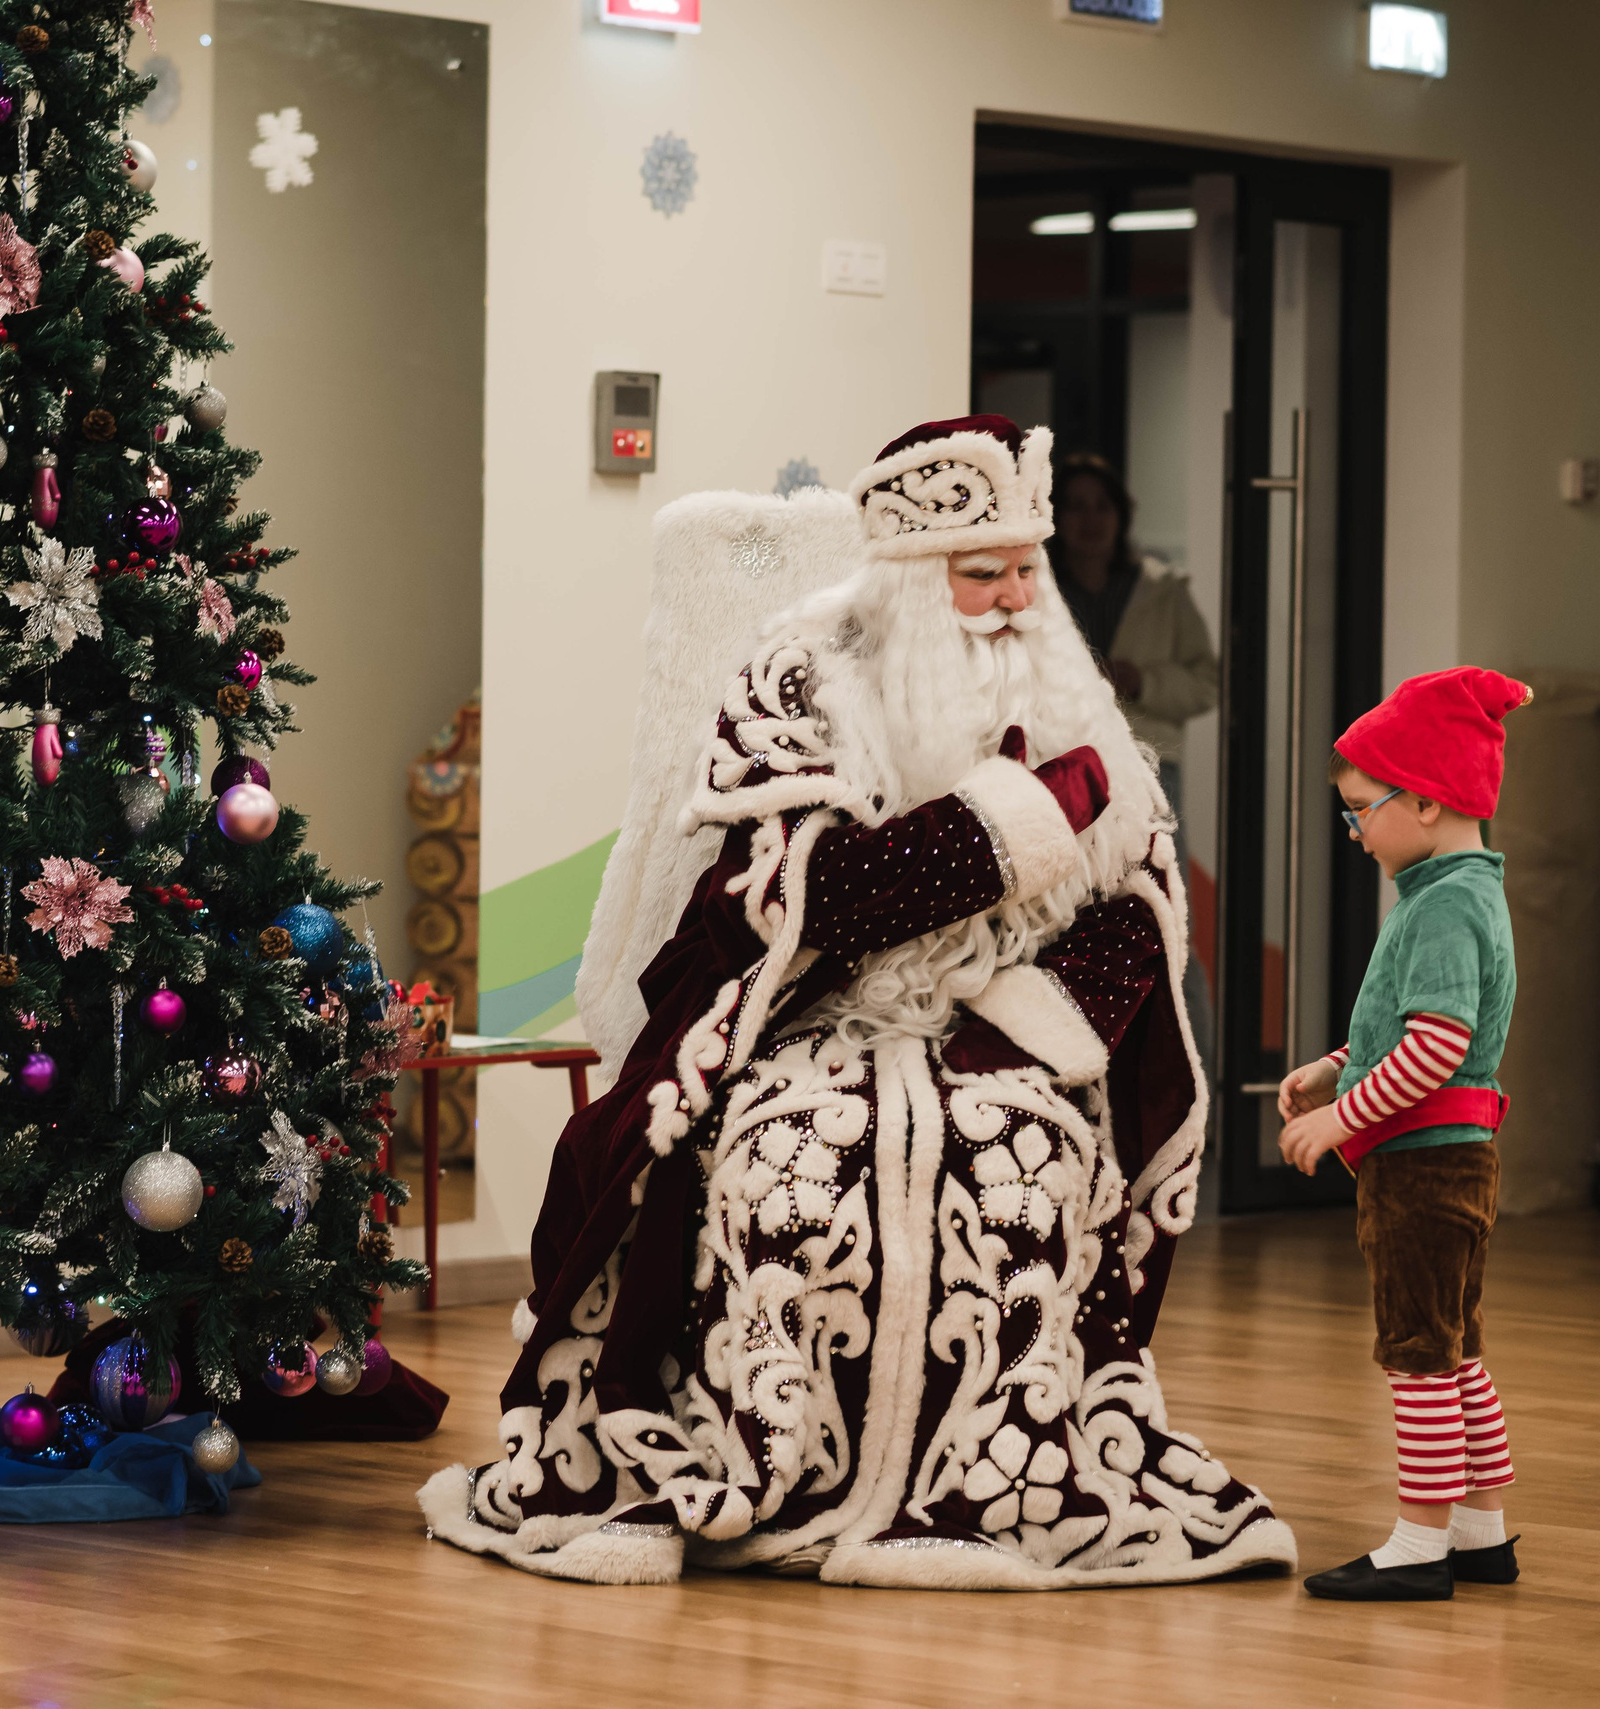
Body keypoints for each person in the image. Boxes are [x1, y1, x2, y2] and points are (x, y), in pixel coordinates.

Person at [421, 416, 1297, 1589]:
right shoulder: (797, 684)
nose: (1011, 599)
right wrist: (1007, 823)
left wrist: (1030, 1023)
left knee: (1016, 1169)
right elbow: (806, 894)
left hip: (1011, 1026)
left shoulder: (1084, 709)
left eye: (1025, 569)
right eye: (979, 574)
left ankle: (985, 1485)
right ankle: (765, 1454)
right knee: (792, 1169)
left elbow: (1139, 908)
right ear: (907, 578)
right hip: (808, 1015)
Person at [1272, 667, 1530, 1602]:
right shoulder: (1454, 889)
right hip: (1451, 1158)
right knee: (1456, 1347)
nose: (1354, 830)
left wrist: (1346, 1113)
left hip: (1423, 1169)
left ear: (1423, 800)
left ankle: (1420, 1545)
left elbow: (1438, 1045)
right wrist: (1337, 1064)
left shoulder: (1445, 903)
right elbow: (1413, 1029)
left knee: (1416, 1352)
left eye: (1360, 809)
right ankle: (1482, 1532)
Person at [1048, 455, 1219, 1062]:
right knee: (1068, 925)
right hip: (1061, 771)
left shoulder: (1162, 591)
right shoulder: (1035, 584)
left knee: (1171, 928)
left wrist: (1140, 679)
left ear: (1122, 516)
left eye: (1103, 506)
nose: (1090, 520)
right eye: (1077, 506)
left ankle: (1199, 1099)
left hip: (1151, 771)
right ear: (1056, 515)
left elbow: (1207, 682)